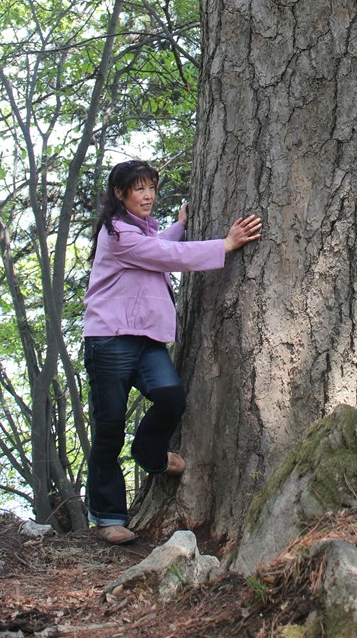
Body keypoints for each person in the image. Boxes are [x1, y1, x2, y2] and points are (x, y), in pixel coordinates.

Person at [83, 159, 262, 545]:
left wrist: (180, 225)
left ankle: (149, 454)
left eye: (151, 187)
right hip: (109, 339)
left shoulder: (138, 232)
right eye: (138, 189)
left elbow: (158, 246)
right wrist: (225, 245)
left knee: (171, 397)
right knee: (108, 428)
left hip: (146, 339)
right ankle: (108, 515)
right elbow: (164, 256)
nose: (147, 196)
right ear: (119, 193)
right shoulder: (116, 233)